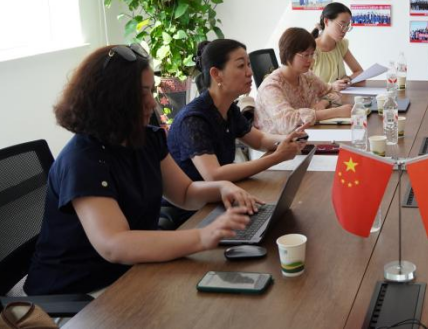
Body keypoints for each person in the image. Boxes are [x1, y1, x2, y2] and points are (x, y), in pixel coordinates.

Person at [25, 45, 256, 296]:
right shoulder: (83, 160)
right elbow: (115, 244)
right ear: (113, 98)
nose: (152, 101)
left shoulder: (145, 138)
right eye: (143, 92)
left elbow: (185, 193)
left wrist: (222, 187)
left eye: (151, 90)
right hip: (78, 291)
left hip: (130, 271)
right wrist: (201, 237)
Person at [164, 39, 306, 226]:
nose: (249, 72)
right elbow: (214, 175)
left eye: (248, 64)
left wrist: (289, 139)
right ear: (216, 74)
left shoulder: (228, 108)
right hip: (193, 215)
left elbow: (260, 140)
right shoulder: (193, 119)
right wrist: (275, 158)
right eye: (241, 66)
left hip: (221, 200)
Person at [254, 27, 352, 135]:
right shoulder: (271, 86)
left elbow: (333, 91)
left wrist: (324, 102)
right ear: (288, 53)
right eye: (305, 55)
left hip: (305, 135)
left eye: (312, 54)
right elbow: (287, 122)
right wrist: (336, 112)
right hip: (279, 142)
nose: (310, 60)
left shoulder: (306, 75)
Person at [311, 2, 363, 89]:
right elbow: (303, 85)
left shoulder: (341, 45)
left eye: (347, 26)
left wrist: (348, 79)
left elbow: (359, 72)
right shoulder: (310, 49)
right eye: (342, 25)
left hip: (342, 96)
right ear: (326, 21)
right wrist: (331, 86)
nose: (344, 30)